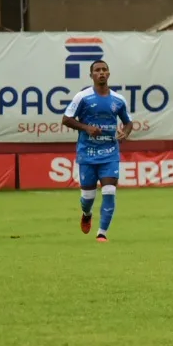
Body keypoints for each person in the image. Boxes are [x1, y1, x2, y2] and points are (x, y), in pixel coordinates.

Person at [60, 60, 133, 243]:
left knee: (109, 191)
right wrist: (86, 128)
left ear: (109, 73)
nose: (101, 73)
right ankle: (86, 213)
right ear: (91, 75)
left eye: (104, 69)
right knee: (87, 197)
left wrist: (125, 132)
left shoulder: (118, 100)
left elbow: (128, 122)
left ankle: (102, 233)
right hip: (88, 153)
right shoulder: (82, 97)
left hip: (110, 153)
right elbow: (66, 119)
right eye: (97, 70)